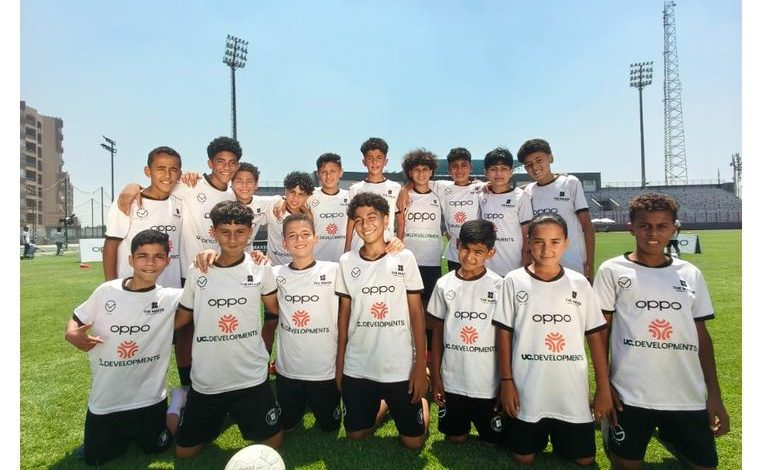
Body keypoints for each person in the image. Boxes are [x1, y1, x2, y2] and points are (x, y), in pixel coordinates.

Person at [593, 193, 729, 470]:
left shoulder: (690, 273)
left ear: (674, 229)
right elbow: (600, 331)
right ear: (631, 228)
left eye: (662, 226)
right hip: (630, 394)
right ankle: (613, 433)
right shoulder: (612, 270)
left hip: (685, 394)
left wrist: (714, 395)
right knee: (626, 466)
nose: (653, 234)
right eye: (645, 226)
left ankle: (670, 435)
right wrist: (603, 386)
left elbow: (701, 335)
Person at [117, 136, 241, 392]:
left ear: (237, 165)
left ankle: (219, 377)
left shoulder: (232, 194)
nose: (226, 167)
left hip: (220, 273)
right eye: (220, 161)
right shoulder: (190, 185)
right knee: (186, 330)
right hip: (190, 272)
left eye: (232, 162)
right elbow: (157, 185)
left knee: (218, 326)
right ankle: (186, 385)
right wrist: (132, 186)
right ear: (210, 163)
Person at [494, 213, 614, 466]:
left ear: (566, 243)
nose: (546, 249)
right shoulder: (514, 281)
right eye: (539, 241)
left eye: (555, 242)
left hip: (570, 388)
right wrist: (506, 382)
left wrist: (603, 387)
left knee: (584, 459)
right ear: (529, 242)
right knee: (523, 457)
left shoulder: (580, 283)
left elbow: (595, 337)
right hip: (528, 386)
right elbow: (503, 334)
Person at [173, 200, 283, 458]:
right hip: (208, 379)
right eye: (225, 232)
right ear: (213, 232)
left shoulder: (260, 267)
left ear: (250, 232)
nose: (233, 239)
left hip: (251, 377)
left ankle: (234, 413)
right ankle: (178, 404)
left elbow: (276, 308)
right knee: (184, 453)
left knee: (275, 443)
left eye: (240, 232)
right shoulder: (198, 269)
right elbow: (182, 317)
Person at [64, 229, 183, 466]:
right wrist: (71, 334)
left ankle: (178, 401)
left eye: (158, 256)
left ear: (167, 261)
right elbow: (77, 319)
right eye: (142, 256)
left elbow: (203, 295)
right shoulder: (107, 291)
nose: (150, 263)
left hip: (148, 398)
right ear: (130, 259)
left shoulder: (171, 297)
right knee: (95, 459)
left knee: (159, 447)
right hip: (106, 400)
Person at [335, 192, 429, 449]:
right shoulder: (346, 261)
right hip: (359, 364)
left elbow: (416, 313)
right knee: (356, 436)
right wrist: (340, 364)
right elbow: (344, 316)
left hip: (398, 365)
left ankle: (419, 402)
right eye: (358, 219)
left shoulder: (404, 257)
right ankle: (386, 403)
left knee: (413, 443)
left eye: (372, 217)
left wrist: (420, 366)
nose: (365, 224)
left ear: (386, 219)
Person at [428, 219, 505, 446]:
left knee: (493, 442)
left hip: (487, 383)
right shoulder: (444, 284)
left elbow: (506, 338)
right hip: (453, 380)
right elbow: (437, 333)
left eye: (478, 252)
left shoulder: (499, 286)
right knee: (455, 437)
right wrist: (437, 376)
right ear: (457, 245)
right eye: (465, 248)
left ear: (490, 253)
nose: (470, 257)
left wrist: (505, 381)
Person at [272, 213, 342, 432]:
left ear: (315, 238)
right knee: (286, 426)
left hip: (325, 370)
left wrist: (394, 246)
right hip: (288, 371)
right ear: (284, 242)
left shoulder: (334, 270)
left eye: (305, 234)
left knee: (330, 427)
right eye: (292, 235)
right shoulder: (274, 274)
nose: (299, 239)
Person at [104, 146, 183, 288]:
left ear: (179, 174)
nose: (167, 175)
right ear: (148, 171)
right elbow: (111, 245)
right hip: (132, 290)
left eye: (173, 170)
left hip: (170, 289)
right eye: (160, 169)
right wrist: (110, 287)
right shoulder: (129, 202)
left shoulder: (180, 202)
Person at [517, 138, 595, 280]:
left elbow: (587, 226)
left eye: (539, 160)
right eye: (529, 164)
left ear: (551, 158)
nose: (535, 167)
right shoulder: (528, 191)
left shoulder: (570, 183)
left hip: (573, 264)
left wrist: (590, 263)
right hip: (542, 267)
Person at [478, 147, 532, 276]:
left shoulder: (521, 197)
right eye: (493, 169)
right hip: (487, 269)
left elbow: (527, 235)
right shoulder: (480, 196)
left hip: (514, 269)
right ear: (486, 172)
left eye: (503, 169)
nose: (498, 174)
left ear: (511, 171)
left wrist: (525, 263)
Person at [344, 137, 401, 252]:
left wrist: (399, 242)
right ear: (364, 162)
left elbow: (400, 221)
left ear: (386, 161)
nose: (375, 162)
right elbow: (351, 221)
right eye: (370, 158)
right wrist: (347, 248)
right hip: (359, 247)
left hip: (386, 248)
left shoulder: (396, 188)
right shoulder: (355, 189)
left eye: (379, 158)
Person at [309, 153, 350, 262]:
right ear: (318, 174)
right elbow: (291, 199)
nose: (328, 176)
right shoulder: (310, 196)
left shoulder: (350, 196)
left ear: (341, 172)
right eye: (324, 172)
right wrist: (282, 201)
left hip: (342, 261)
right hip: (316, 261)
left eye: (333, 171)